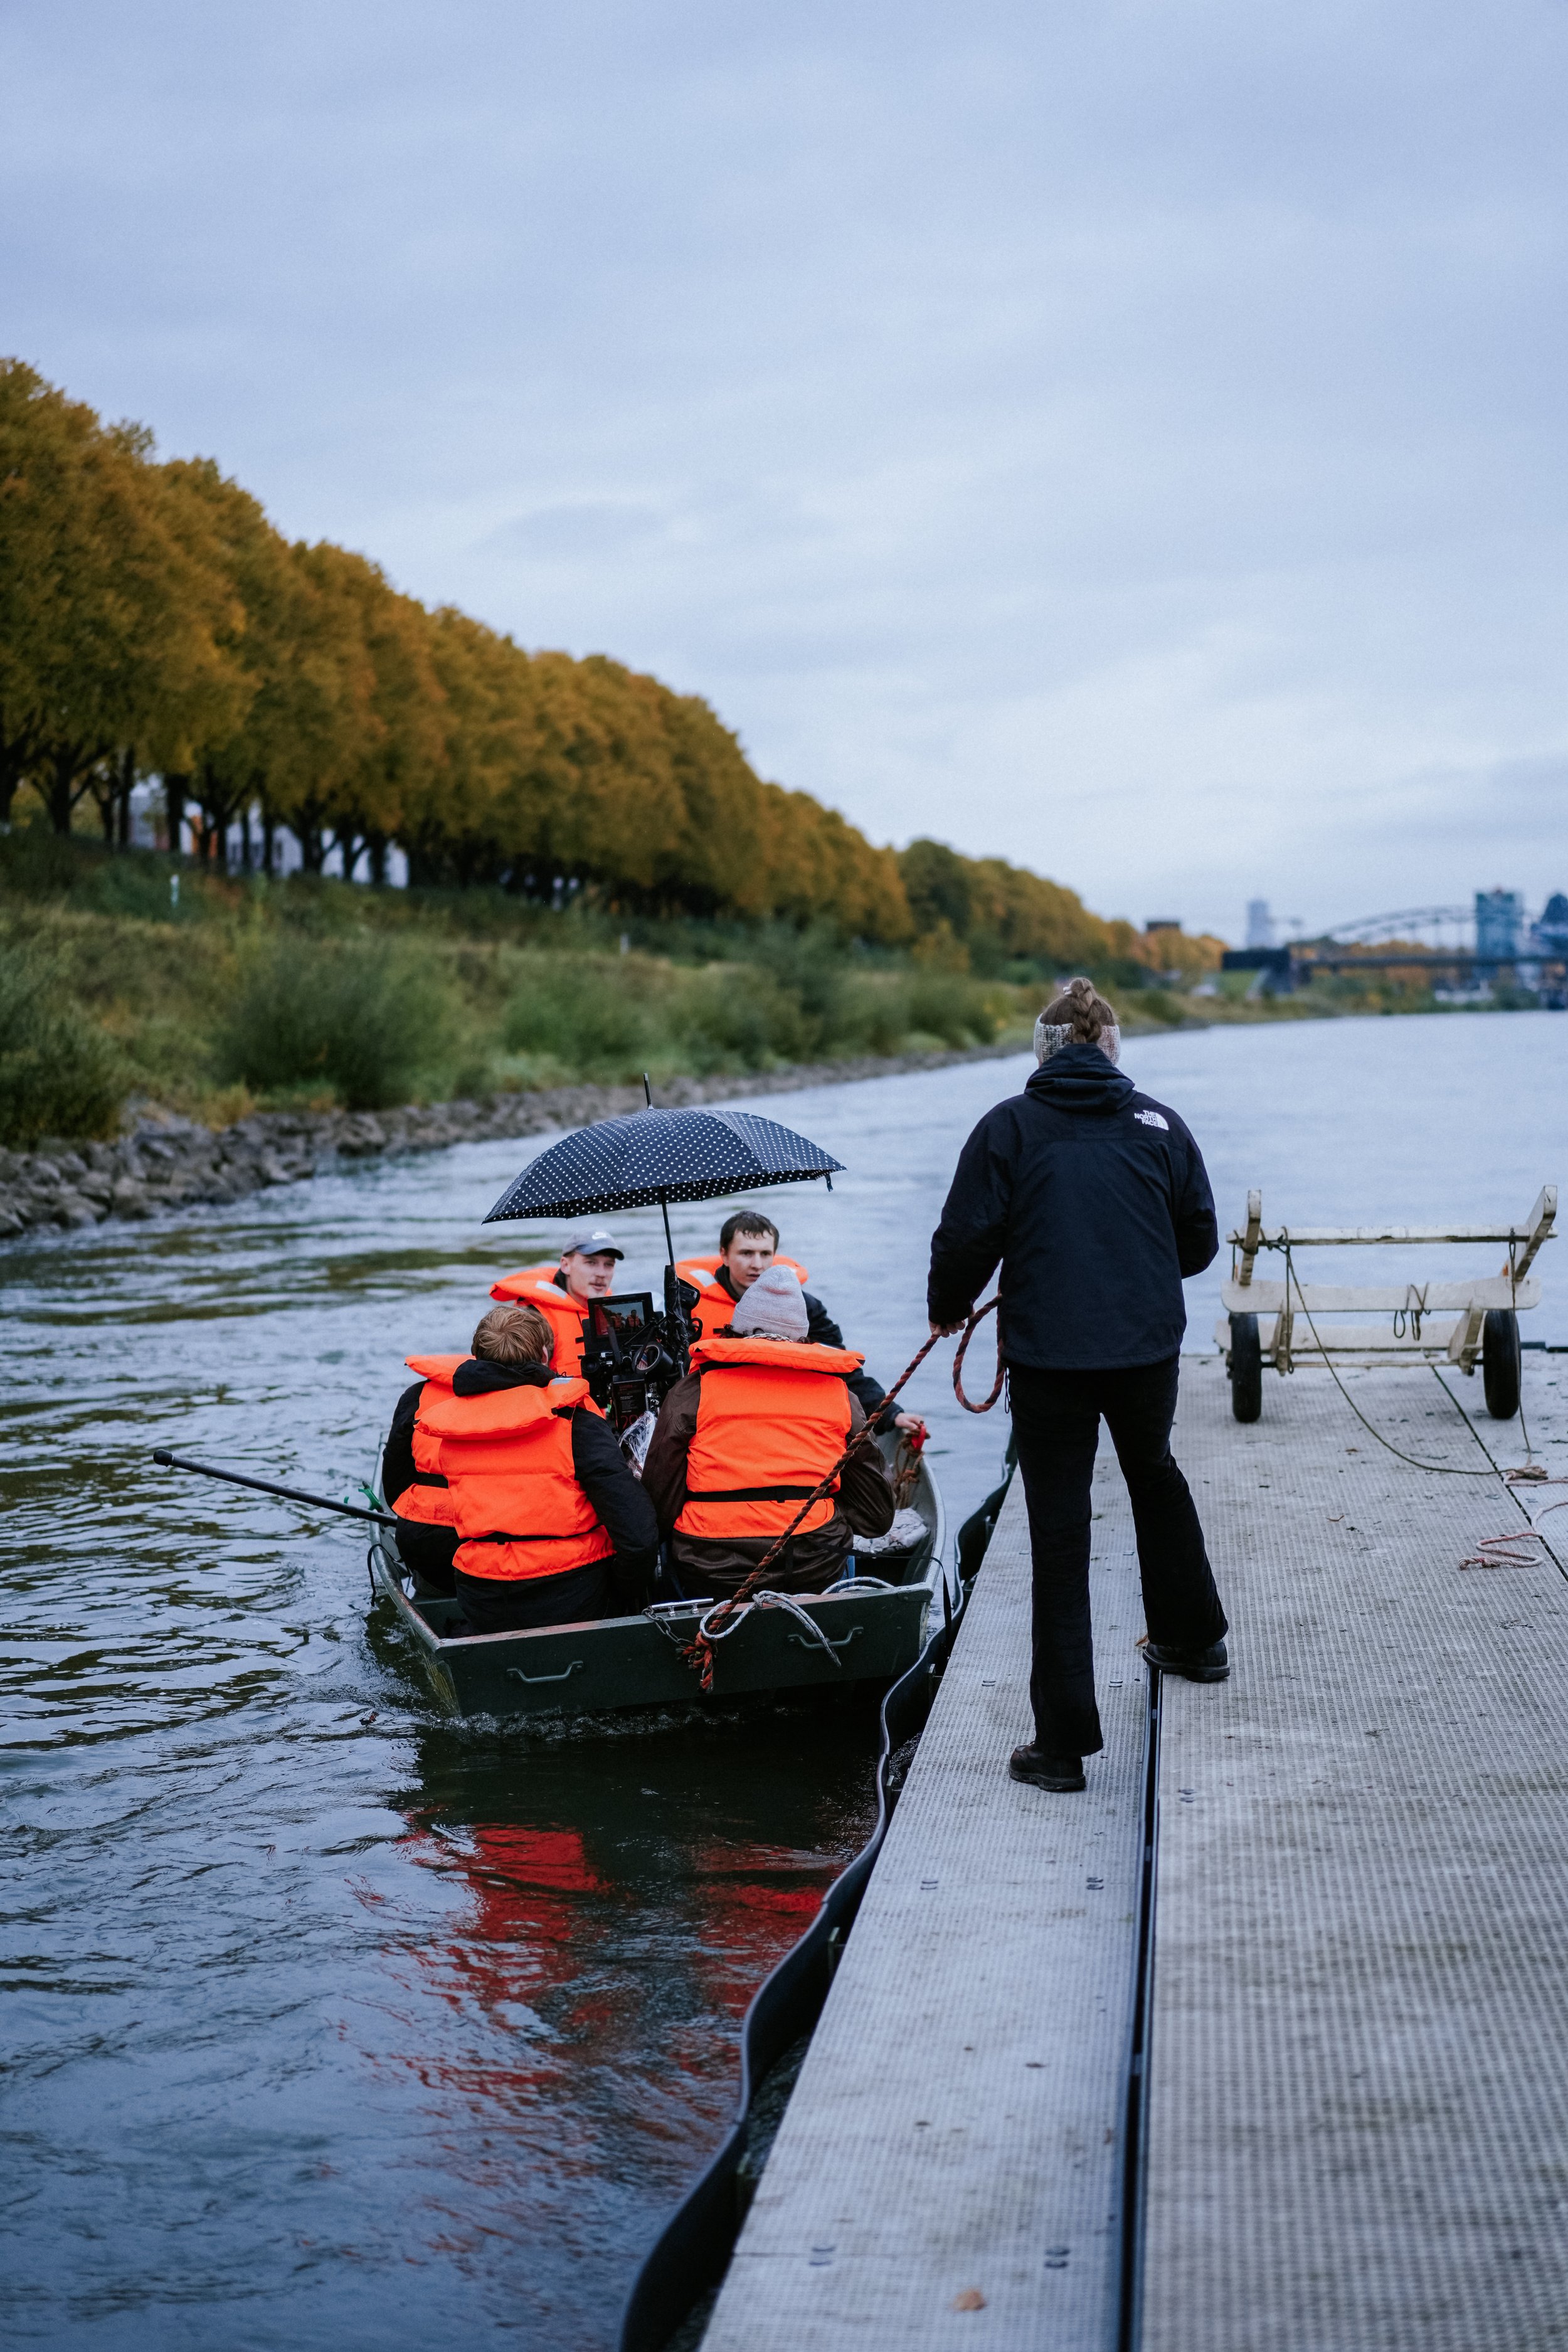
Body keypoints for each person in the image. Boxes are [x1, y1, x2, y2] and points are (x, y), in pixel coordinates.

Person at [926, 976, 1228, 1794]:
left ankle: (1061, 1749)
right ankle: (1196, 1641)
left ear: (1044, 1049)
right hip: (1142, 1348)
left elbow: (964, 1238)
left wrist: (947, 1308)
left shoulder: (1009, 1128)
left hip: (1050, 1356)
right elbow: (1198, 1241)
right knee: (1154, 1475)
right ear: (1111, 1048)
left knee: (1059, 1536)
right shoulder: (1160, 1124)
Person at [383, 1301, 658, 1633]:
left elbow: (398, 1489)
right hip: (574, 1593)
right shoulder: (577, 1422)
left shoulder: (449, 1423)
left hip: (482, 1596)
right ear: (545, 1356)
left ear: (477, 1358)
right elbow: (638, 1537)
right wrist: (625, 1592)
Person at [643, 1263, 896, 1597]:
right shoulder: (841, 1396)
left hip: (711, 1567)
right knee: (839, 1540)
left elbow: (660, 1502)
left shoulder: (692, 1391)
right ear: (803, 1338)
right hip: (814, 1563)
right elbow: (876, 1517)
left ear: (735, 1331)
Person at [676, 1209, 924, 1437]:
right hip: (715, 1413)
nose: (757, 1264)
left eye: (765, 1254)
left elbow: (841, 1367)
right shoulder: (687, 1306)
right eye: (746, 1253)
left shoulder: (805, 1308)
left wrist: (891, 1414)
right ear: (724, 1255)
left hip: (787, 1411)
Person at [488, 1226, 626, 1377]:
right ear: (566, 1265)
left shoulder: (612, 1312)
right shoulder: (534, 1317)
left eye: (609, 1264)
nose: (601, 1274)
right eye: (591, 1263)